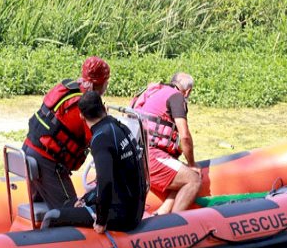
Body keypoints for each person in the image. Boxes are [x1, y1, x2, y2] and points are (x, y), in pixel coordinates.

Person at [40, 91, 147, 233]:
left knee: (52, 216)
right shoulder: (121, 128)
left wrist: (101, 221)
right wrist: (86, 199)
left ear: (81, 116)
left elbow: (106, 182)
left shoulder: (101, 138)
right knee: (74, 204)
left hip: (121, 217)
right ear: (104, 107)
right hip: (134, 211)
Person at [23, 56, 111, 209]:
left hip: (28, 148)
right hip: (47, 161)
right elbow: (99, 142)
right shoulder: (88, 105)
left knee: (41, 202)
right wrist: (105, 120)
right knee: (71, 211)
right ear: (101, 83)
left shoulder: (67, 88)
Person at [131, 72, 202, 214]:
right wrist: (193, 164)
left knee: (183, 175)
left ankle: (162, 214)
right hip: (151, 156)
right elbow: (185, 136)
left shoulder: (156, 92)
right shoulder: (177, 97)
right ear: (188, 91)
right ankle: (175, 224)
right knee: (193, 180)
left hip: (138, 153)